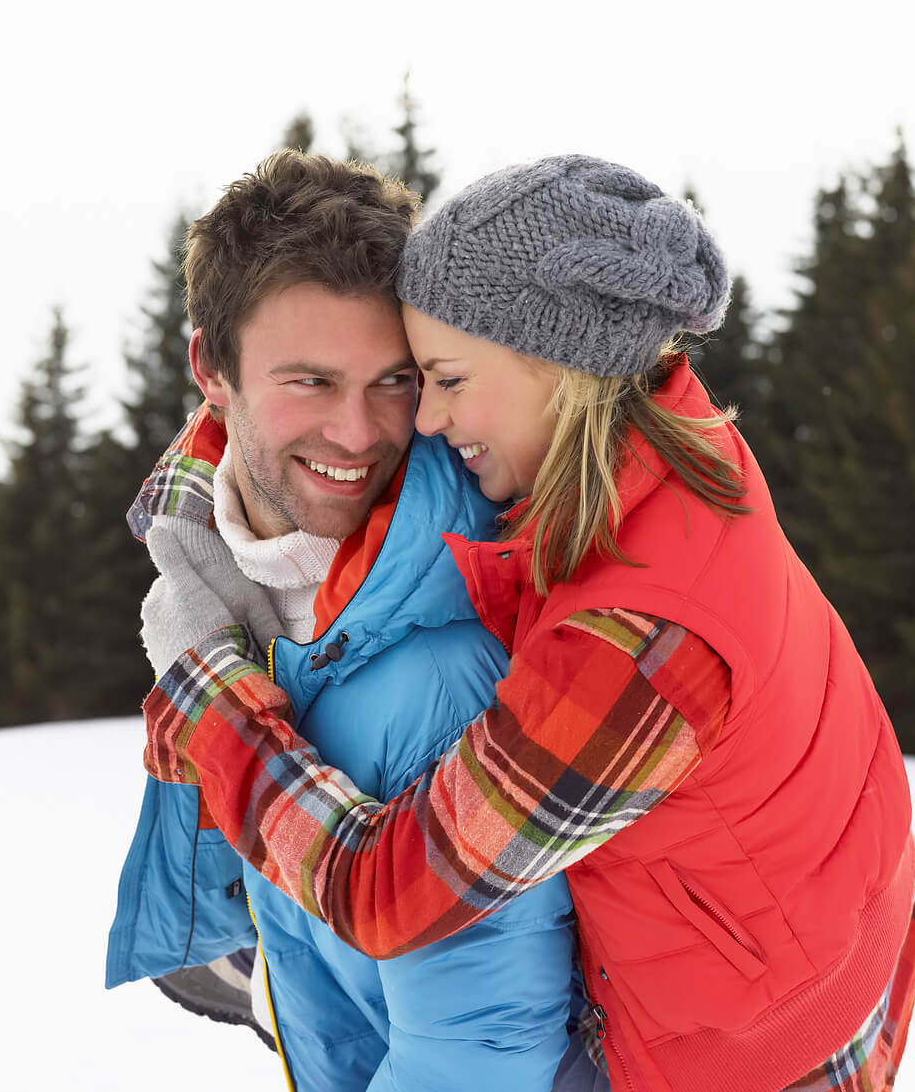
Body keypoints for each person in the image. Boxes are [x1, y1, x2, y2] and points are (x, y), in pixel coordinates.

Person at [138, 155, 915, 1092]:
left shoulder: (638, 643)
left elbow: (390, 892)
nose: (421, 420)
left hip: (750, 1051)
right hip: (806, 921)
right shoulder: (643, 439)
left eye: (438, 377)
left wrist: (218, 714)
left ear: (562, 369)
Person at [105, 150, 583, 1092]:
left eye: (393, 382)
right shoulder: (207, 591)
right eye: (311, 383)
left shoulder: (437, 673)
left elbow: (478, 1061)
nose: (360, 434)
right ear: (211, 366)